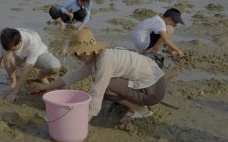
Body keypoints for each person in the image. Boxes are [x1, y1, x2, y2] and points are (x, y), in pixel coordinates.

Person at [36, 29, 166, 122]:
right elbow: (73, 75)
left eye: (79, 53)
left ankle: (141, 110)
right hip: (150, 84)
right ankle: (134, 103)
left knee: (104, 85)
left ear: (88, 50)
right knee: (104, 83)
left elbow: (98, 90)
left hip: (153, 91)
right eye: (75, 54)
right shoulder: (96, 57)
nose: (78, 57)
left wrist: (85, 119)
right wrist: (47, 87)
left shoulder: (105, 59)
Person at [0, 28, 61, 103]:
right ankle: (13, 81)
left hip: (38, 56)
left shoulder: (33, 42)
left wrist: (14, 93)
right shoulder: (5, 39)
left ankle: (41, 76)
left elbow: (26, 72)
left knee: (55, 66)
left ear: (20, 41)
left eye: (13, 49)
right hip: (19, 59)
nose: (11, 51)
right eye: (9, 49)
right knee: (7, 55)